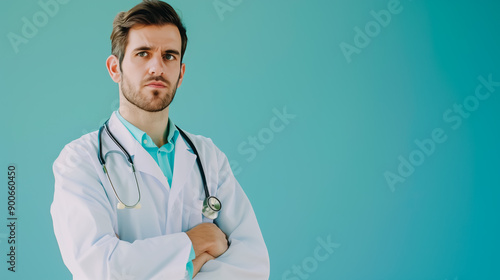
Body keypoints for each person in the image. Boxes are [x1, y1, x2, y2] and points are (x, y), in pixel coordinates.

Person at [50, 1, 270, 279]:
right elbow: (100, 268)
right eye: (143, 53)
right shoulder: (81, 160)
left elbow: (253, 263)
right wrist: (195, 244)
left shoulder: (208, 157)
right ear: (114, 68)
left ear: (181, 73)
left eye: (169, 56)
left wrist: (150, 264)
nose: (157, 67)